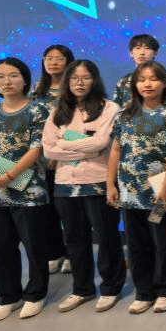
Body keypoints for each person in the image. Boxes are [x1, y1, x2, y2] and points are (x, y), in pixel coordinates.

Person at [42, 60, 125, 313]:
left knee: (107, 238)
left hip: (98, 182)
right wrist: (83, 146)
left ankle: (111, 288)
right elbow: (48, 149)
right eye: (74, 78)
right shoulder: (59, 110)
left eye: (86, 77)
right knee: (75, 240)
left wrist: (64, 142)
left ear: (95, 80)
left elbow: (101, 143)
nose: (79, 82)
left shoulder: (109, 108)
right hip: (65, 185)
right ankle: (82, 289)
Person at [0, 57, 51, 321]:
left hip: (29, 190)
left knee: (34, 246)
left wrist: (11, 173)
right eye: (0, 76)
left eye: (14, 75)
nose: (7, 81)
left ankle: (36, 294)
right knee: (0, 248)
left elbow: (37, 148)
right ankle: (8, 296)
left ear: (25, 79)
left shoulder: (38, 110)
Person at [108, 61, 166, 315]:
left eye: (153, 79)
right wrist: (110, 184)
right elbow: (116, 149)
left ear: (165, 83)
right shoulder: (124, 115)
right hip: (130, 192)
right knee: (136, 245)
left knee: (164, 242)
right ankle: (144, 292)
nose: (147, 84)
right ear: (134, 85)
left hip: (160, 191)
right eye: (142, 80)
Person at [31, 44, 75, 274]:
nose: (53, 62)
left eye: (59, 58)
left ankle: (72, 253)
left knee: (69, 210)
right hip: (39, 158)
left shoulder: (75, 89)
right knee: (46, 209)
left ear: (69, 62)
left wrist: (57, 152)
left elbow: (80, 125)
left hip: (67, 157)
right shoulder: (36, 91)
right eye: (48, 58)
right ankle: (54, 252)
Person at [113, 33, 166, 107]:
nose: (142, 53)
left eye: (147, 48)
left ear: (155, 53)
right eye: (137, 48)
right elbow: (117, 109)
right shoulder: (123, 82)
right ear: (131, 53)